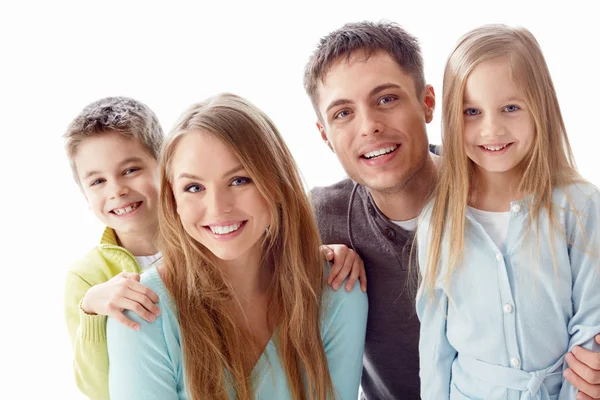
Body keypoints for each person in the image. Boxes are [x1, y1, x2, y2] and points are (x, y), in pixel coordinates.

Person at [305, 20, 600, 399]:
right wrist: (312, 259)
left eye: (386, 99)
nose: (370, 127)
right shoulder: (321, 217)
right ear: (324, 134)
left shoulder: (557, 200)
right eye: (343, 113)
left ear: (429, 104)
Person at [106, 93, 368, 400]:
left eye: (240, 180)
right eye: (194, 187)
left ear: (277, 183)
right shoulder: (143, 311)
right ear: (172, 199)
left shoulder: (337, 288)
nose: (218, 208)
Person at [417, 24, 600, 399]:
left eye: (511, 108)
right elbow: (435, 346)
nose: (492, 128)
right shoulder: (438, 220)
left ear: (540, 108)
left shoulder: (578, 206)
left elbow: (590, 322)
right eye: (471, 111)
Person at [63, 96, 164, 400]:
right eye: (97, 181)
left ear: (165, 164)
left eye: (130, 170)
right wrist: (91, 310)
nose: (116, 190)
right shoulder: (85, 278)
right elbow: (98, 389)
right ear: (84, 194)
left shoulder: (208, 239)